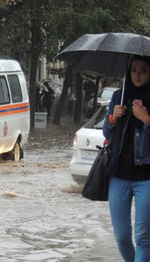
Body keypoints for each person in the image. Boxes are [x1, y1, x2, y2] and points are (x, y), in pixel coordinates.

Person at [102, 55, 150, 262]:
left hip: (147, 177)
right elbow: (106, 132)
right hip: (118, 174)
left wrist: (146, 119)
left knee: (143, 237)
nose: (137, 75)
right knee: (121, 237)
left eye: (143, 70)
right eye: (133, 70)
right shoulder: (119, 96)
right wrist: (114, 117)